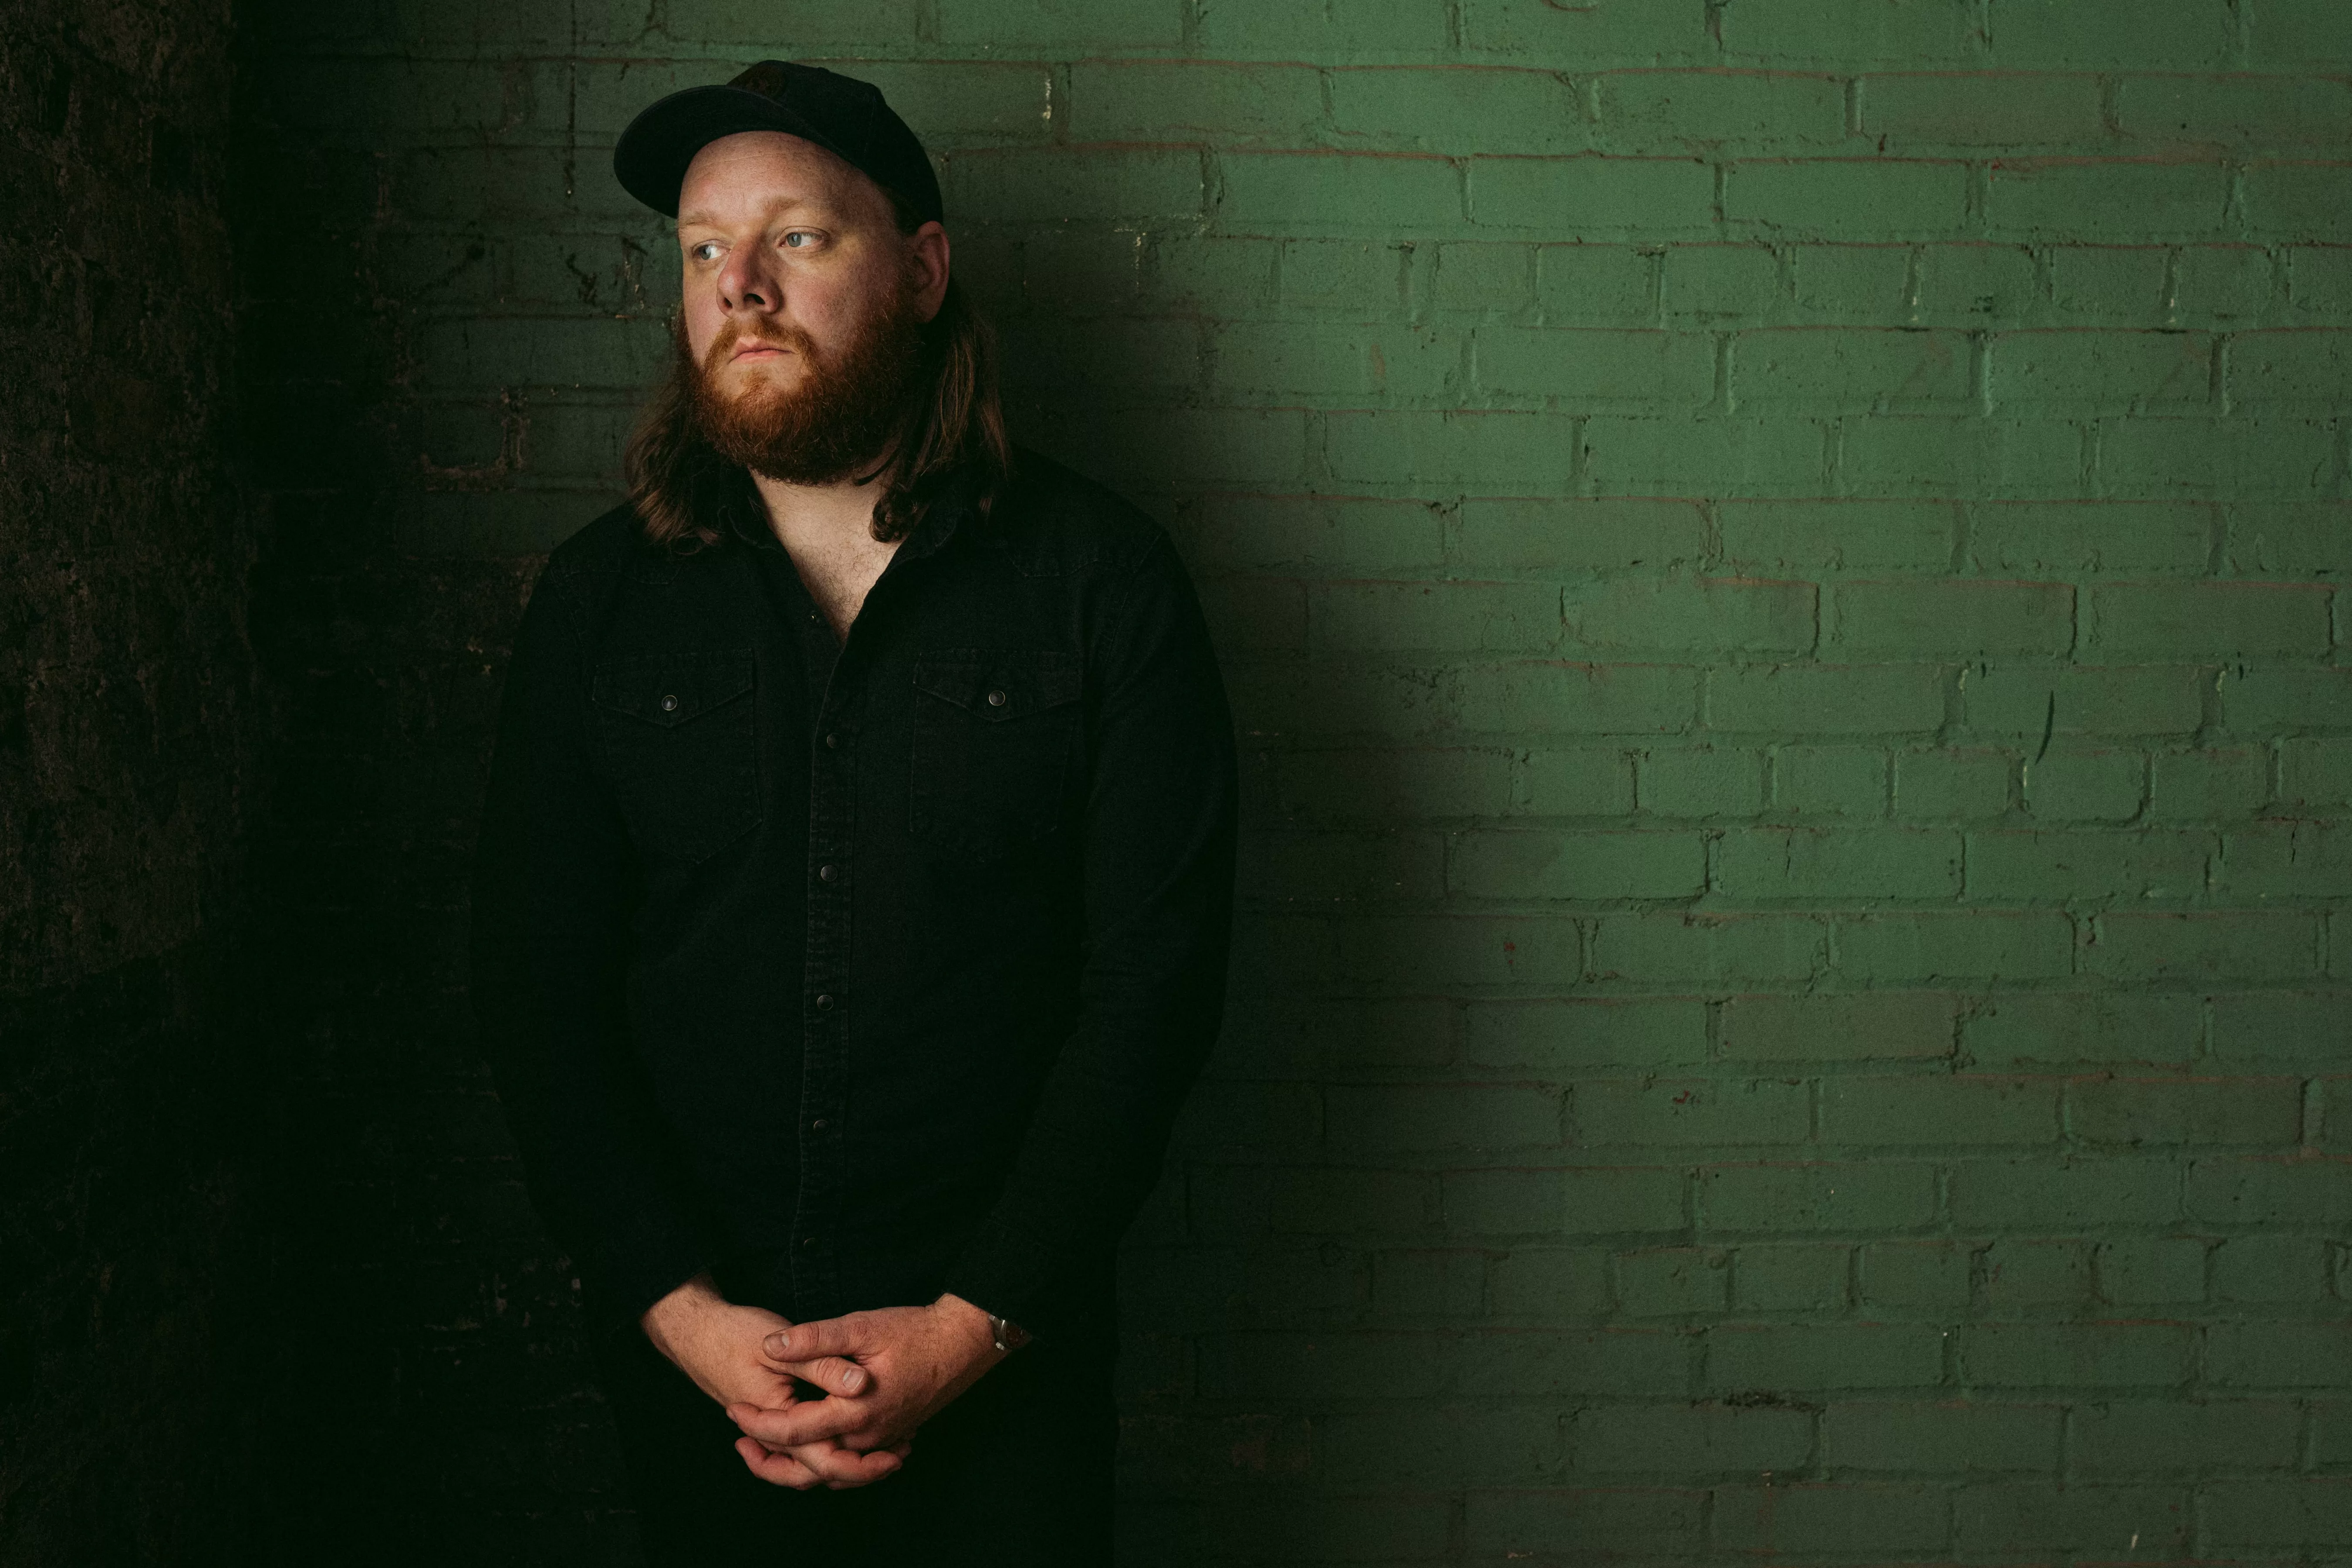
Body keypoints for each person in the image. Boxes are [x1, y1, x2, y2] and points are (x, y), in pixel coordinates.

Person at [466, 60, 1239, 1565]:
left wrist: (969, 1329)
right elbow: (532, 986)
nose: (738, 286)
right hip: (696, 1369)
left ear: (925, 269)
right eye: (701, 250)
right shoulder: (600, 603)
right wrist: (683, 1318)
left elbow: (1154, 990)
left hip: (1005, 1367)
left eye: (798, 238)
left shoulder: (1103, 583)